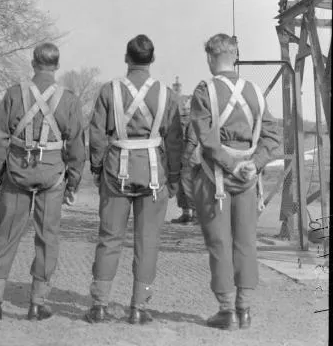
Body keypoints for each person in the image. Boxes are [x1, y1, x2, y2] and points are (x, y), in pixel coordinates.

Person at [0, 42, 85, 321]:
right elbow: (75, 146)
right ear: (57, 65)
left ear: (33, 63)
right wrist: (73, 181)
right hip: (53, 174)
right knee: (47, 237)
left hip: (16, 171)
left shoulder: (14, 93)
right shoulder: (69, 99)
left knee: (7, 233)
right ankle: (37, 303)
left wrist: (0, 172)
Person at [183, 34, 280, 331]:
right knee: (246, 244)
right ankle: (245, 309)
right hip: (250, 180)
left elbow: (206, 139)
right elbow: (272, 136)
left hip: (215, 179)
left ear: (211, 58)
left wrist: (230, 166)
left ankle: (226, 311)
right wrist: (255, 163)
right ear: (235, 56)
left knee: (219, 244)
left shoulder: (204, 91)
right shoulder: (255, 92)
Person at [84, 34, 183, 325]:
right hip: (154, 173)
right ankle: (138, 307)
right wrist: (174, 177)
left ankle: (99, 305)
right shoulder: (167, 94)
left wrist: (97, 168)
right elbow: (175, 141)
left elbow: (97, 135)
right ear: (152, 60)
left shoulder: (108, 90)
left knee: (109, 238)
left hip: (116, 170)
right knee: (148, 241)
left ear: (126, 58)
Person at [171, 96, 198, 224]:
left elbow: (193, 141)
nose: (184, 109)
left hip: (189, 158)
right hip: (179, 157)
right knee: (180, 187)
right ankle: (186, 213)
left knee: (189, 185)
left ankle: (197, 215)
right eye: (183, 106)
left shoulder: (194, 121)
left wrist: (185, 158)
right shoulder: (177, 120)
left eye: (187, 107)